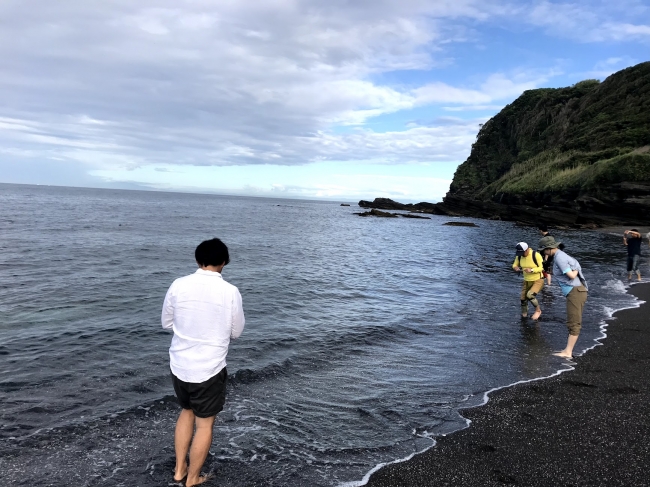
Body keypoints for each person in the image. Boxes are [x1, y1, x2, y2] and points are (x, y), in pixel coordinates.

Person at [162, 238, 245, 486]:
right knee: (205, 424)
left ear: (198, 260)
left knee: (186, 411)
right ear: (224, 262)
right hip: (209, 368)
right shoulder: (230, 291)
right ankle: (193, 479)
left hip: (179, 364)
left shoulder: (178, 284)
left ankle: (179, 470)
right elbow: (236, 332)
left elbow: (166, 323)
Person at [538, 236, 588, 358]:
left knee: (573, 322)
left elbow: (571, 275)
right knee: (573, 321)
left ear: (549, 249)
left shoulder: (560, 258)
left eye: (544, 250)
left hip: (575, 291)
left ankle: (568, 352)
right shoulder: (561, 255)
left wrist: (576, 269)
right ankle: (567, 350)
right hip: (577, 290)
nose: (543, 252)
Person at [512, 242, 544, 320]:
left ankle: (538, 310)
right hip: (526, 280)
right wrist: (515, 267)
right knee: (523, 299)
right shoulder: (519, 256)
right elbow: (514, 264)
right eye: (519, 253)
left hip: (538, 280)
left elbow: (542, 268)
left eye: (522, 253)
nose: (521, 255)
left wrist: (532, 270)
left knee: (530, 295)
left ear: (527, 250)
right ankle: (524, 315)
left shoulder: (536, 255)